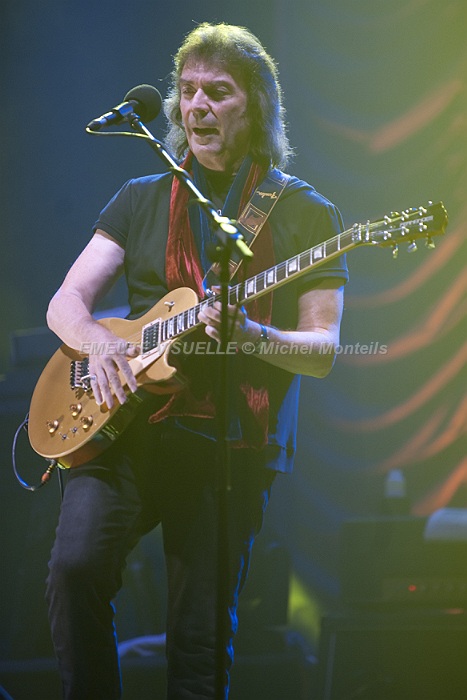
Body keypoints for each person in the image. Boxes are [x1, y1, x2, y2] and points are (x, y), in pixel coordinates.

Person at [45, 22, 348, 700]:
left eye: (218, 92)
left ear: (256, 105)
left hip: (227, 445)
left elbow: (323, 351)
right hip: (128, 426)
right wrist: (99, 343)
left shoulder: (305, 213)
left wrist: (249, 335)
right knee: (75, 568)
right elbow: (66, 302)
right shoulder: (139, 197)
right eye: (187, 91)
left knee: (198, 639)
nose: (197, 106)